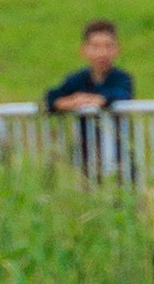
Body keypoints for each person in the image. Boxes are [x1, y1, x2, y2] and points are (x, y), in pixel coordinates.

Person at [44, 20, 135, 180]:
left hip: (120, 156)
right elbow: (51, 97)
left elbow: (122, 94)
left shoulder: (122, 78)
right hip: (86, 155)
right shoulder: (77, 79)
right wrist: (71, 102)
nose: (102, 53)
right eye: (96, 47)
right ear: (84, 50)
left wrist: (98, 100)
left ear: (117, 50)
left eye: (108, 46)